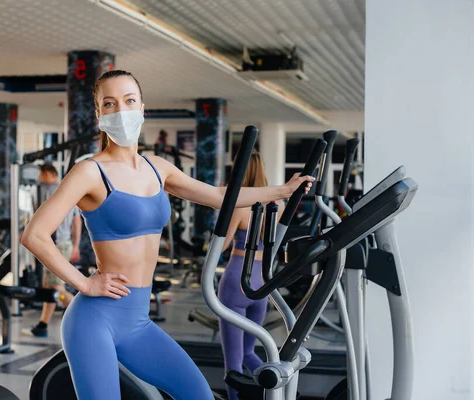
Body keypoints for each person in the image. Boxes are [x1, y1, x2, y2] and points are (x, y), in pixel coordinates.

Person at [21, 69, 314, 400]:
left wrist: (283, 190)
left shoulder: (158, 167)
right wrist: (85, 283)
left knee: (198, 395)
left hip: (138, 322)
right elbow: (35, 235)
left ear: (142, 109)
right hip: (94, 321)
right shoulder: (90, 171)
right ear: (99, 114)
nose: (121, 111)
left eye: (129, 101)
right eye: (110, 103)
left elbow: (220, 196)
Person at [219, 151, 284, 400]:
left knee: (233, 363)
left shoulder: (240, 204)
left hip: (237, 280)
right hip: (262, 284)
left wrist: (224, 209)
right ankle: (278, 393)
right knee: (249, 353)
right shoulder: (276, 206)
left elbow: (222, 245)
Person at [26, 163, 82, 337]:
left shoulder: (51, 191)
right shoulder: (69, 192)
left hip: (55, 245)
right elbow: (77, 221)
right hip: (63, 244)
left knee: (57, 289)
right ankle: (43, 324)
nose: (39, 179)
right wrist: (76, 245)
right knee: (49, 287)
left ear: (49, 174)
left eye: (41, 175)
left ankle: (85, 318)